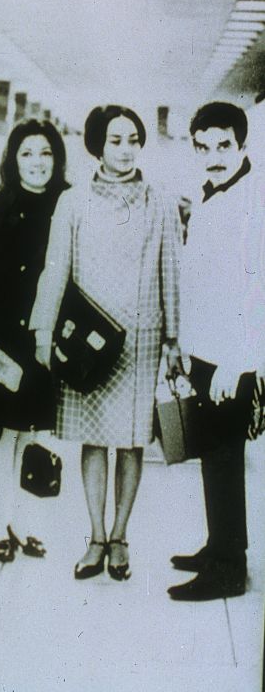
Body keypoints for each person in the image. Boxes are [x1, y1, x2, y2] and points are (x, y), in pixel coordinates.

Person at [30, 105, 182, 581]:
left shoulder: (159, 201)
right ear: (97, 145)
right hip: (87, 341)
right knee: (94, 440)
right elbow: (55, 268)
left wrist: (174, 337)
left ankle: (120, 537)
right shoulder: (72, 202)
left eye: (133, 138)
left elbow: (171, 271)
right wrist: (43, 331)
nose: (126, 148)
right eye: (115, 140)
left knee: (132, 441)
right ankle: (95, 536)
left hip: (140, 338)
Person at [168, 101, 265, 601]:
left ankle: (228, 568)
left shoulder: (255, 200)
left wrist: (236, 362)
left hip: (232, 356)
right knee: (212, 454)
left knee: (225, 457)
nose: (213, 156)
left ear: (242, 146)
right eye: (203, 147)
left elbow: (258, 290)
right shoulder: (208, 196)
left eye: (223, 146)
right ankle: (219, 545)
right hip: (206, 349)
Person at [0, 119, 68, 562]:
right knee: (3, 438)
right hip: (6, 342)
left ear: (57, 158)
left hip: (49, 339)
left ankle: (28, 527)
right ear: (12, 160)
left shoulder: (69, 205)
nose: (37, 163)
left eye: (45, 153)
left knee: (37, 437)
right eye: (27, 153)